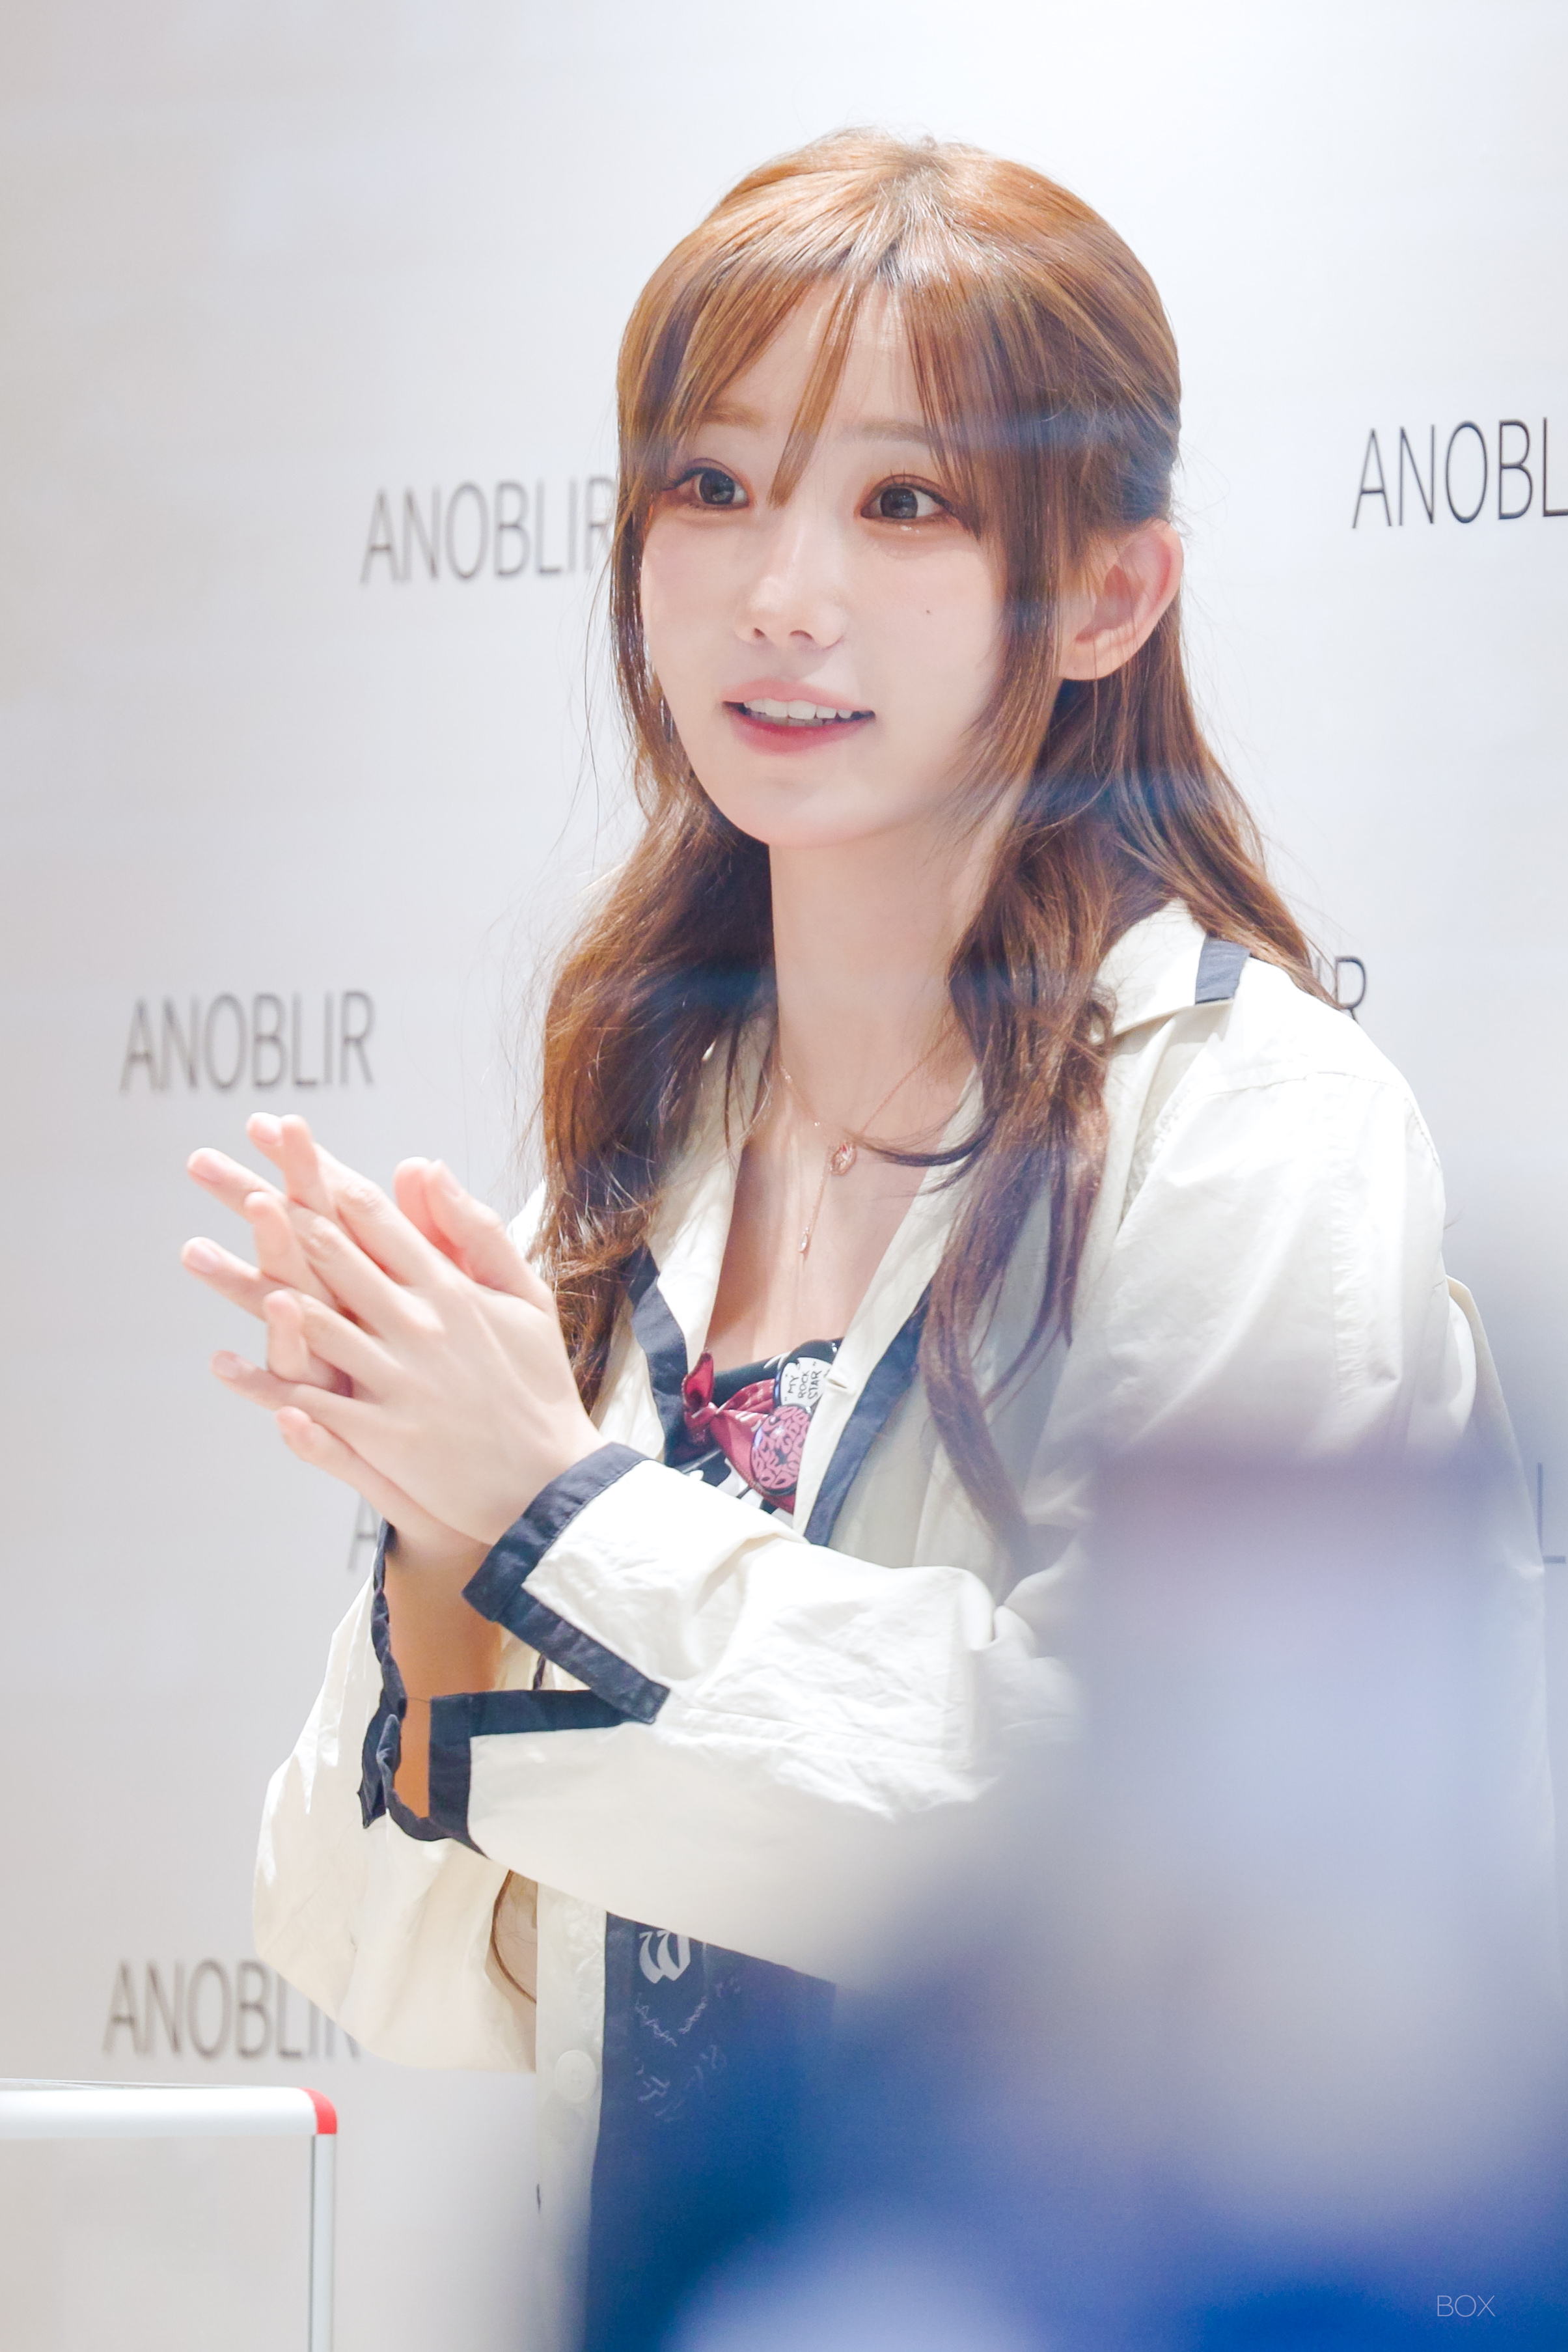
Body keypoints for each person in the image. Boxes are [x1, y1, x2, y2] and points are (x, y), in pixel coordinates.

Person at [181, 131, 1548, 2352]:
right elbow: (391, 1965)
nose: (778, 591)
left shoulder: (1251, 1125)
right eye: (711, 488)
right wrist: (445, 1533)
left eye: (902, 502)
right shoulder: (634, 1173)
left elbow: (1139, 1882)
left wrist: (552, 1516)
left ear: (1106, 593)